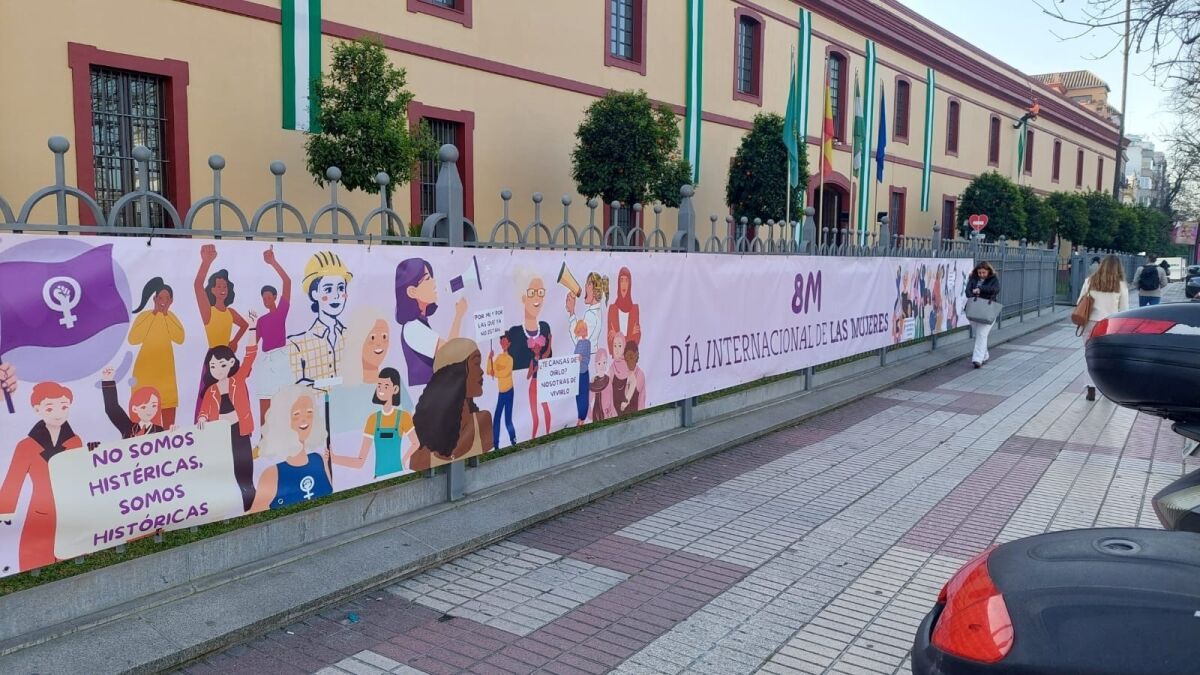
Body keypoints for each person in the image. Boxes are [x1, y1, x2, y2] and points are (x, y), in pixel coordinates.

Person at [0, 382, 83, 571]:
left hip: (71, 509)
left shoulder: (75, 441)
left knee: (71, 557)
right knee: (36, 557)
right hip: (40, 510)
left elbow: (81, 477)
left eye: (64, 407)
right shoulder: (26, 446)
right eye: (50, 408)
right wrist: (4, 513)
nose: (58, 413)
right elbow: (13, 483)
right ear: (37, 409)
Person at [198, 312, 259, 512]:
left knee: (244, 467)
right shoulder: (210, 391)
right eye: (213, 366)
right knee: (226, 468)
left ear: (231, 363)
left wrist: (252, 328)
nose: (217, 369)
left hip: (240, 430)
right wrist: (202, 418)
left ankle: (249, 502)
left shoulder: (237, 380)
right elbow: (204, 412)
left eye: (222, 365)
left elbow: (250, 355)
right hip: (221, 435)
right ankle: (229, 504)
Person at [409, 339, 494, 471]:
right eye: (476, 363)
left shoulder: (483, 422)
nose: (482, 371)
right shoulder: (420, 457)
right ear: (456, 374)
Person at [250, 385, 333, 512]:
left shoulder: (319, 459)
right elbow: (255, 513)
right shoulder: (272, 474)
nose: (304, 419)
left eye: (309, 412)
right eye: (296, 414)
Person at [193, 245, 249, 420]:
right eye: (218, 286)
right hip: (213, 359)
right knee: (209, 396)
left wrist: (235, 341)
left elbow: (245, 325)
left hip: (228, 358)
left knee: (234, 394)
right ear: (212, 289)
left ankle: (237, 427)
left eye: (225, 286)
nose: (222, 289)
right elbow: (197, 286)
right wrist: (206, 262)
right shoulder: (208, 312)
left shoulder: (230, 312)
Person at [394, 258, 468, 388]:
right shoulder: (412, 328)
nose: (434, 282)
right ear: (412, 292)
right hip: (425, 393)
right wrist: (459, 316)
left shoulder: (418, 324)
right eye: (427, 279)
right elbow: (449, 354)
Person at [331, 368, 417, 478]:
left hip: (398, 472)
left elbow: (416, 443)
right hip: (379, 476)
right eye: (379, 385)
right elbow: (360, 461)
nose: (381, 389)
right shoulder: (373, 419)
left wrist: (404, 460)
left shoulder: (403, 417)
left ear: (395, 389)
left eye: (386, 386)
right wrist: (334, 458)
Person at [288, 251, 354, 389]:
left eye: (341, 288)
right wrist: (336, 383)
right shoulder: (297, 344)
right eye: (328, 289)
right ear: (314, 294)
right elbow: (296, 387)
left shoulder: (354, 337)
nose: (336, 296)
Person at [128, 277, 185, 428]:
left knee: (168, 422)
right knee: (144, 423)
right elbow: (133, 339)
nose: (163, 301)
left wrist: (165, 315)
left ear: (171, 301)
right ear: (154, 299)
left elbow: (180, 338)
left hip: (166, 376)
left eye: (167, 299)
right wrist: (154, 314)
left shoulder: (171, 317)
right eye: (160, 298)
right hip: (144, 375)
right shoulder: (145, 316)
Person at [505, 271, 553, 437]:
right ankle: (532, 434)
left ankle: (546, 432)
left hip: (541, 385)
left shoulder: (545, 328)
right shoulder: (514, 333)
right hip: (522, 394)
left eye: (541, 293)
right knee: (534, 414)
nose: (537, 298)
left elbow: (549, 360)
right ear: (523, 298)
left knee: (545, 409)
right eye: (532, 293)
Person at [1078, 256, 1129, 402]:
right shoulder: (1121, 285)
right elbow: (1124, 310)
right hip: (1110, 325)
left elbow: (1079, 301)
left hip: (1090, 323)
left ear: (1102, 266)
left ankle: (1091, 389)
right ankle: (1107, 389)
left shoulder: (1089, 281)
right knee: (1108, 358)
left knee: (1090, 356)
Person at [252, 247, 293, 423]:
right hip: (266, 362)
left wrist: (273, 262)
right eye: (264, 298)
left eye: (269, 297)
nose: (266, 300)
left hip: (281, 359)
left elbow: (287, 281)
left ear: (275, 297)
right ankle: (264, 435)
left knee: (283, 400)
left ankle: (283, 433)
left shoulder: (281, 312)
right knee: (265, 399)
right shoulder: (261, 320)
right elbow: (253, 343)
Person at [100, 367, 165, 438]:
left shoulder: (159, 430)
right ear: (135, 409)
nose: (149, 410)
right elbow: (112, 408)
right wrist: (108, 380)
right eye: (143, 407)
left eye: (153, 406)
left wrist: (173, 432)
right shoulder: (128, 428)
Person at [966, 262, 1000, 368]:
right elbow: (967, 292)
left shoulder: (993, 279)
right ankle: (984, 355)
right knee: (979, 335)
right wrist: (974, 293)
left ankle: (977, 359)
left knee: (981, 334)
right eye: (979, 272)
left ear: (989, 271)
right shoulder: (973, 278)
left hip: (988, 310)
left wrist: (980, 289)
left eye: (983, 272)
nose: (981, 275)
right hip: (974, 310)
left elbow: (995, 290)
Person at [487, 335, 517, 449]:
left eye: (505, 342)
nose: (503, 344)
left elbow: (505, 373)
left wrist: (495, 372)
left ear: (509, 344)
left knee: (507, 419)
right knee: (496, 418)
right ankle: (496, 444)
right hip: (501, 393)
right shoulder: (498, 357)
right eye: (502, 342)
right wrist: (489, 358)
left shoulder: (510, 359)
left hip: (509, 391)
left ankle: (513, 440)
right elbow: (489, 371)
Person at [607, 267, 641, 356]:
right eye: (621, 280)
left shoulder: (635, 309)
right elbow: (610, 342)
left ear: (630, 284)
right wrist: (628, 338)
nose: (624, 284)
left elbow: (636, 339)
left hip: (630, 358)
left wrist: (617, 338)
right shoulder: (612, 309)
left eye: (626, 281)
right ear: (618, 283)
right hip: (616, 359)